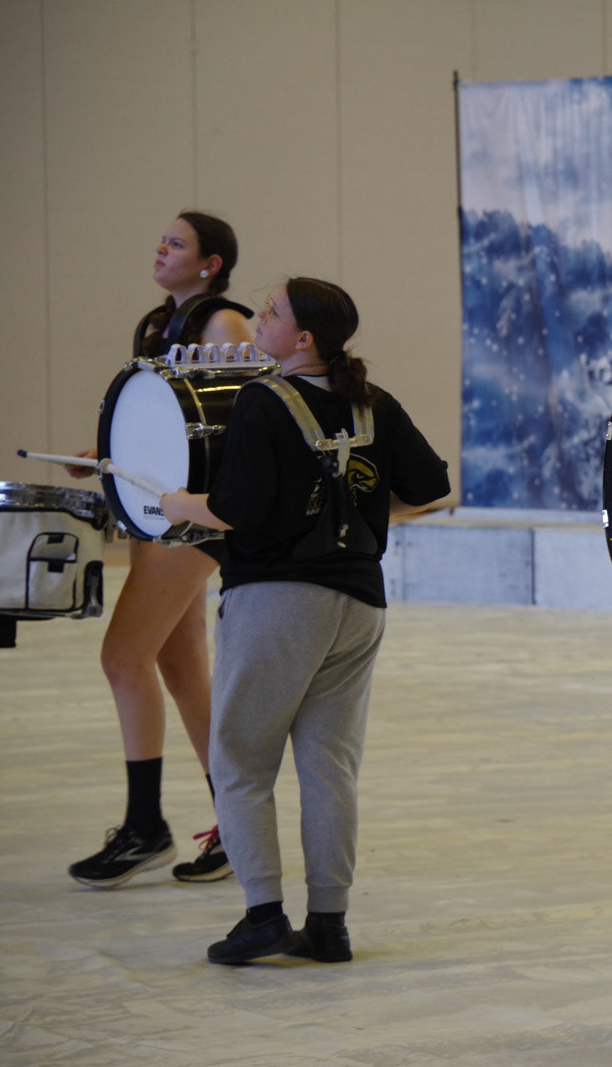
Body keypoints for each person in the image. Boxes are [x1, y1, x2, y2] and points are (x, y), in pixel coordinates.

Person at [160, 277, 450, 965]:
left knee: (240, 762)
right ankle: (328, 924)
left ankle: (263, 913)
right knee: (329, 768)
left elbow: (232, 510)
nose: (259, 318)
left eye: (272, 312)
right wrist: (359, 511)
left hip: (278, 601)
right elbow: (431, 487)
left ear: (304, 338)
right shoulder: (373, 402)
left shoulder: (262, 399)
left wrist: (177, 504)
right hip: (360, 604)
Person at [67, 211, 254, 889]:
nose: (161, 249)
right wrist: (106, 455)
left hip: (194, 519)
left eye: (177, 243)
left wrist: (201, 506)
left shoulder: (224, 324)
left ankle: (145, 825)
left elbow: (238, 428)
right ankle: (236, 826)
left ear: (211, 263)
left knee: (122, 657)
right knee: (178, 667)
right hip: (160, 512)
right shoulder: (160, 324)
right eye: (162, 240)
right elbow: (161, 424)